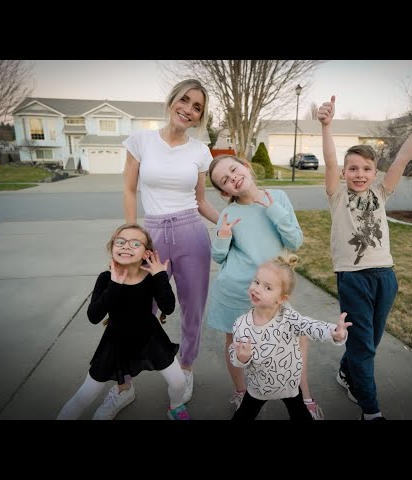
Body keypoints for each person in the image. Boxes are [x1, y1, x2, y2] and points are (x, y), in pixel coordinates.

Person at [317, 94, 412, 420]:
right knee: (364, 349)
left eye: (366, 168)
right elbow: (329, 161)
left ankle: (346, 372)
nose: (359, 174)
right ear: (344, 173)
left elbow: (402, 158)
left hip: (385, 276)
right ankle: (371, 411)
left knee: (368, 339)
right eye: (353, 168)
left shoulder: (380, 192)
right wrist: (326, 126)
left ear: (375, 172)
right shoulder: (337, 195)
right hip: (353, 277)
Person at [122, 79, 221, 409]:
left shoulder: (199, 151)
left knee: (193, 309)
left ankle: (187, 366)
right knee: (136, 308)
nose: (188, 110)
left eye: (197, 107)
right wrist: (133, 234)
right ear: (171, 101)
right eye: (185, 100)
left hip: (192, 232)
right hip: (152, 236)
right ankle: (123, 383)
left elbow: (202, 201)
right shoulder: (141, 141)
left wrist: (227, 224)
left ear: (199, 117)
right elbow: (129, 190)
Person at [205, 154, 323, 419]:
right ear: (224, 191)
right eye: (225, 179)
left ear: (246, 167)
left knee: (295, 338)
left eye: (234, 169)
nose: (233, 177)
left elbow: (295, 242)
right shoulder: (228, 213)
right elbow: (220, 257)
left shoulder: (278, 197)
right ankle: (241, 392)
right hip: (235, 290)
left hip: (273, 289)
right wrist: (222, 238)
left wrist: (272, 210)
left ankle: (303, 395)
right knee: (235, 341)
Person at [57, 223, 189, 420]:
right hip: (115, 341)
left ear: (147, 253)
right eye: (121, 241)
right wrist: (115, 285)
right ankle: (123, 393)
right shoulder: (105, 278)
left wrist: (161, 275)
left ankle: (176, 407)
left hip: (150, 338)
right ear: (112, 247)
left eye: (135, 243)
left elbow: (168, 307)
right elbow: (94, 316)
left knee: (179, 382)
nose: (126, 246)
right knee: (84, 395)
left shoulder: (151, 277)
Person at [229, 254, 352, 420]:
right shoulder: (242, 324)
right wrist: (241, 358)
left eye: (267, 287)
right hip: (259, 387)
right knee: (244, 415)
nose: (257, 289)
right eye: (256, 282)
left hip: (289, 384)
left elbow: (310, 325)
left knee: (300, 414)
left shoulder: (289, 317)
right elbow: (234, 355)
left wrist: (333, 332)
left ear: (282, 299)